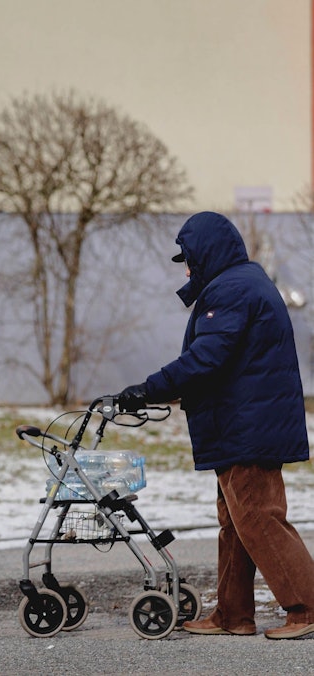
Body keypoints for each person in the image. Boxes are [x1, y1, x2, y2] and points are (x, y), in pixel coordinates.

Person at [118, 211, 314, 639]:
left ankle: (308, 609)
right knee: (236, 523)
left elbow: (206, 358)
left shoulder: (232, 290)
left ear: (206, 254)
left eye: (188, 260)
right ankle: (233, 615)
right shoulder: (241, 284)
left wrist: (149, 389)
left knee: (260, 518)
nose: (187, 270)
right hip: (242, 424)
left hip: (247, 428)